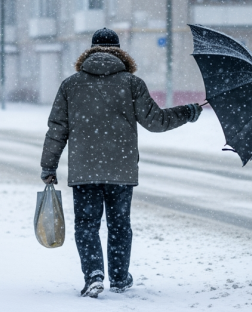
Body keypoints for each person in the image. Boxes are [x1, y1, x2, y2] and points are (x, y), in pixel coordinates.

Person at [40, 28, 203, 298]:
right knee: (119, 224)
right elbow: (156, 121)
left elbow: (57, 128)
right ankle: (118, 277)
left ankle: (93, 273)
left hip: (85, 170)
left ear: (90, 50)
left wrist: (49, 166)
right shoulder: (131, 83)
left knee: (87, 225)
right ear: (119, 50)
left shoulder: (71, 84)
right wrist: (188, 111)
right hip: (121, 169)